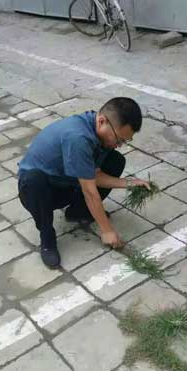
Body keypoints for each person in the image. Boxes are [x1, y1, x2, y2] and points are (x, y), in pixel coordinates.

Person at [18, 97, 150, 268]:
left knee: (116, 160)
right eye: (118, 139)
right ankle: (47, 238)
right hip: (41, 191)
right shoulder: (78, 137)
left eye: (124, 141)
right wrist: (107, 231)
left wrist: (130, 183)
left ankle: (78, 212)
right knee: (34, 180)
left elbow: (94, 175)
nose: (119, 145)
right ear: (102, 121)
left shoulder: (98, 130)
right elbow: (89, 191)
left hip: (67, 181)